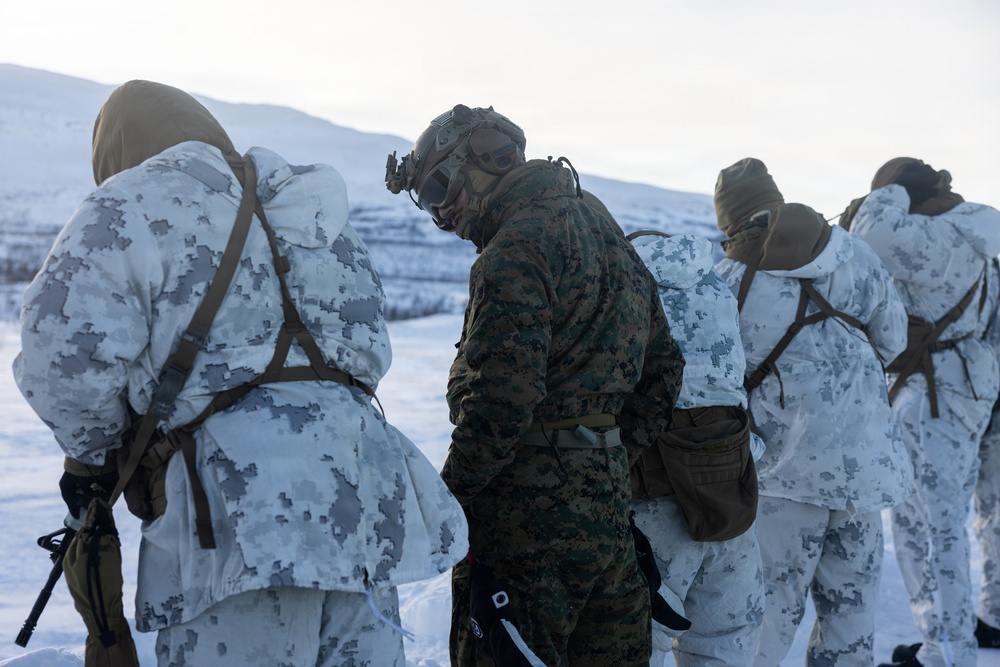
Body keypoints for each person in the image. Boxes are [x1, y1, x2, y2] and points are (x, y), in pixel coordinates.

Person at [13, 80, 469, 667]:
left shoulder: (131, 202)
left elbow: (59, 350)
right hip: (362, 519)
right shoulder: (311, 206)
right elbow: (367, 348)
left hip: (233, 536)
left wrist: (102, 450)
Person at [385, 104, 685, 667]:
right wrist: (606, 455)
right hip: (606, 511)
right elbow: (664, 367)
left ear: (478, 166)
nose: (441, 214)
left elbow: (502, 403)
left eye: (437, 189)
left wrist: (449, 502)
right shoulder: (602, 228)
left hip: (522, 526)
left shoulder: (513, 250)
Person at [713, 158, 912, 666]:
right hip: (863, 474)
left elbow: (717, 380)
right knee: (850, 620)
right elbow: (892, 342)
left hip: (782, 477)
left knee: (766, 618)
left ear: (731, 219)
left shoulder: (730, 281)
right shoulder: (855, 255)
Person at [847, 157, 1000, 667]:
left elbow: (870, 230)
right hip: (957, 390)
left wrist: (887, 191)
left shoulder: (933, 239)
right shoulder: (970, 233)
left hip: (931, 396)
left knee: (929, 528)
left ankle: (950, 651)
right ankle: (941, 642)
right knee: (933, 524)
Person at [628, 230, 765, 667]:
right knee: (726, 643)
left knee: (635, 644)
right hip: (729, 484)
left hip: (654, 502)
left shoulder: (617, 283)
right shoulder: (715, 285)